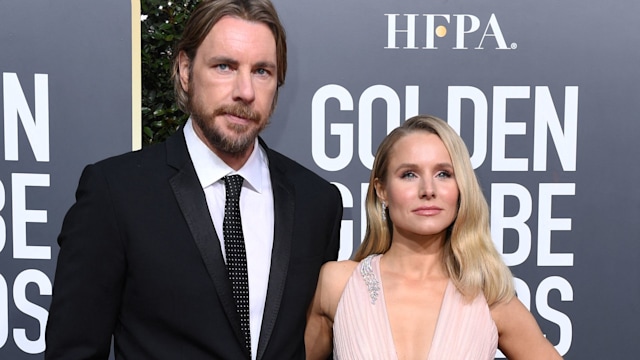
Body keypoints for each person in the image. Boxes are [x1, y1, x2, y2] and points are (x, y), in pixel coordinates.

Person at [45, 1, 343, 359]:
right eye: (224, 67)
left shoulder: (316, 201)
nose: (245, 91)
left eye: (262, 71)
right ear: (185, 71)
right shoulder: (116, 193)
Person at [305, 115, 562, 360]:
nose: (428, 190)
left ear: (461, 188)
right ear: (382, 190)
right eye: (409, 174)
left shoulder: (488, 295)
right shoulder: (337, 285)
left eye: (443, 174)